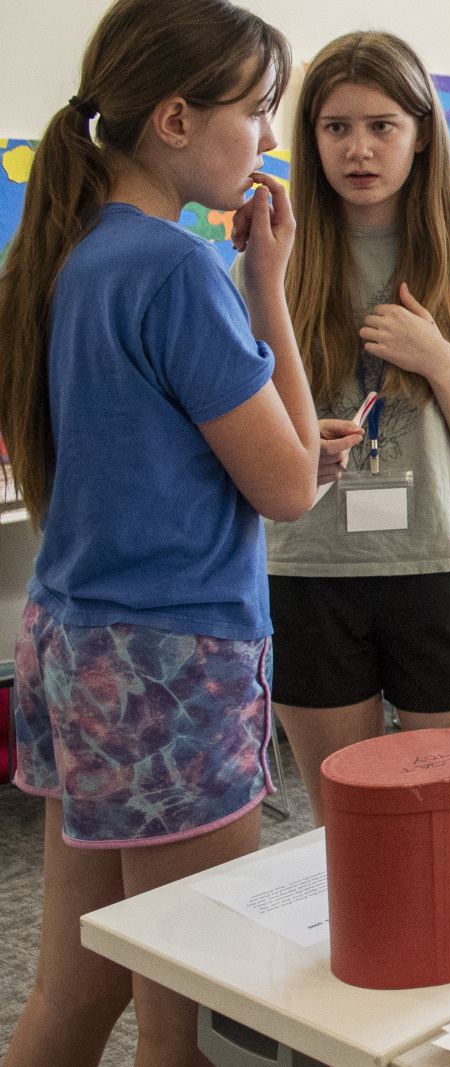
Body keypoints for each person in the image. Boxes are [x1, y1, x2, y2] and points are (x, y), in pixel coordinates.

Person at [0, 2, 321, 1063]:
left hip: (75, 642)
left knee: (76, 989)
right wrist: (267, 290)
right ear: (176, 118)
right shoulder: (178, 271)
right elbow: (289, 484)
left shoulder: (68, 250)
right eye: (259, 110)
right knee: (188, 1020)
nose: (269, 138)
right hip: (170, 664)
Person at [244, 32, 450, 825]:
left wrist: (440, 358)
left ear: (421, 134)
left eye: (382, 126)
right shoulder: (277, 261)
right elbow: (252, 438)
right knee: (349, 826)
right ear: (311, 140)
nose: (359, 149)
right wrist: (308, 446)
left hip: (439, 566)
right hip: (309, 572)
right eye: (336, 128)